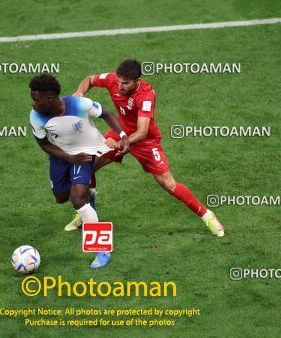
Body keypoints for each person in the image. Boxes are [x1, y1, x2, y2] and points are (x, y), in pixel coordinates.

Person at [68, 59, 225, 237]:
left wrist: (120, 143)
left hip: (145, 142)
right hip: (120, 132)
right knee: (88, 162)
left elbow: (142, 131)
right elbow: (89, 79)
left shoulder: (146, 95)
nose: (120, 86)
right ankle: (86, 214)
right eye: (119, 82)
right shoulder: (113, 79)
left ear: (138, 81)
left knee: (169, 184)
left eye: (125, 83)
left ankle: (207, 215)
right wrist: (80, 92)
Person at [29, 74, 129, 268]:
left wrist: (123, 136)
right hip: (60, 156)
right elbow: (43, 143)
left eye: (35, 99)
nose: (32, 104)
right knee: (60, 197)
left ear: (49, 98)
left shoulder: (80, 104)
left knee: (77, 198)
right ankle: (89, 195)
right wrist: (67, 158)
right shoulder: (36, 116)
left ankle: (102, 249)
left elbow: (106, 113)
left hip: (84, 153)